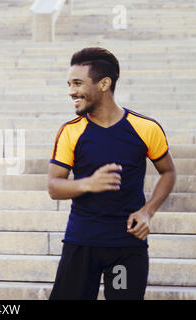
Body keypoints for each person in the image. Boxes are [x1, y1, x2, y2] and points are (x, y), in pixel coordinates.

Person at [48, 47, 176, 300]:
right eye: (69, 84)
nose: (71, 91)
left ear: (104, 83)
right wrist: (88, 184)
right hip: (82, 242)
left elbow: (168, 172)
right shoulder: (70, 131)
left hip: (126, 248)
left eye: (77, 83)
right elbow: (54, 186)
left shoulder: (145, 128)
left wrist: (147, 211)